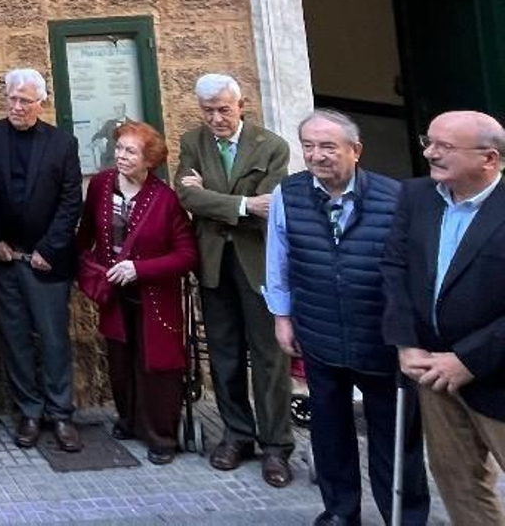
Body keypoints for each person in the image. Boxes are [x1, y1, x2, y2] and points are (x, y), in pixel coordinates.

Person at [267, 109, 429, 526]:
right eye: (308, 146)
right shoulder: (289, 193)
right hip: (319, 330)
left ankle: (403, 515)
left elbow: (414, 271)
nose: (317, 156)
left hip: (381, 337)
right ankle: (339, 511)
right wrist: (282, 316)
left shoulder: (397, 197)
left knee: (394, 436)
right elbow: (278, 259)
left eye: (328, 146)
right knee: (330, 430)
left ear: (355, 150)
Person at [383, 110, 505, 526]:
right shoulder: (415, 196)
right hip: (431, 369)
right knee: (457, 480)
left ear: (488, 159)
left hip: (496, 372)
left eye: (444, 147)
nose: (430, 153)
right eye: (428, 141)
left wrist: (467, 360)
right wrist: (405, 343)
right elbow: (395, 269)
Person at [175, 72, 294, 487]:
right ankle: (236, 434)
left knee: (268, 357)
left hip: (258, 264)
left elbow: (271, 203)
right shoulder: (193, 143)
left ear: (241, 106)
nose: (216, 119)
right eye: (208, 111)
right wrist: (242, 203)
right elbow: (186, 195)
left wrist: (216, 199)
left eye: (224, 110)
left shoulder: (272, 146)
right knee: (223, 354)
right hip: (213, 264)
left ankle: (277, 445)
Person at [0, 68, 84, 452]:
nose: (17, 106)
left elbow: (71, 202)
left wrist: (48, 249)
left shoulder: (62, 143)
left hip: (47, 261)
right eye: (12, 99)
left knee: (53, 340)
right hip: (4, 258)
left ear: (41, 102)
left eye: (25, 100)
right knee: (15, 338)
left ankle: (61, 413)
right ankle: (30, 411)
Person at [75, 122, 197, 465]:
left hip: (155, 296)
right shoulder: (101, 185)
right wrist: (85, 269)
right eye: (119, 149)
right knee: (120, 360)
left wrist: (139, 269)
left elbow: (187, 255)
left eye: (130, 151)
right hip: (114, 293)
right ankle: (128, 421)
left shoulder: (165, 199)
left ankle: (161, 436)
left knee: (157, 365)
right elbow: (86, 234)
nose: (121, 156)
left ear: (149, 160)